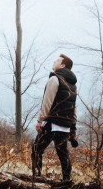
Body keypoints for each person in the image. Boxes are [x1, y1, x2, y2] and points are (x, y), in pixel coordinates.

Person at [32, 53, 77, 182]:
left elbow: (47, 102)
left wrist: (40, 120)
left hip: (52, 122)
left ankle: (37, 180)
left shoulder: (54, 79)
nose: (54, 62)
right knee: (63, 154)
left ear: (63, 65)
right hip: (65, 126)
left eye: (57, 61)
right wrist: (72, 126)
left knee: (36, 149)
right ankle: (66, 182)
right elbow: (73, 107)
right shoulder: (73, 84)